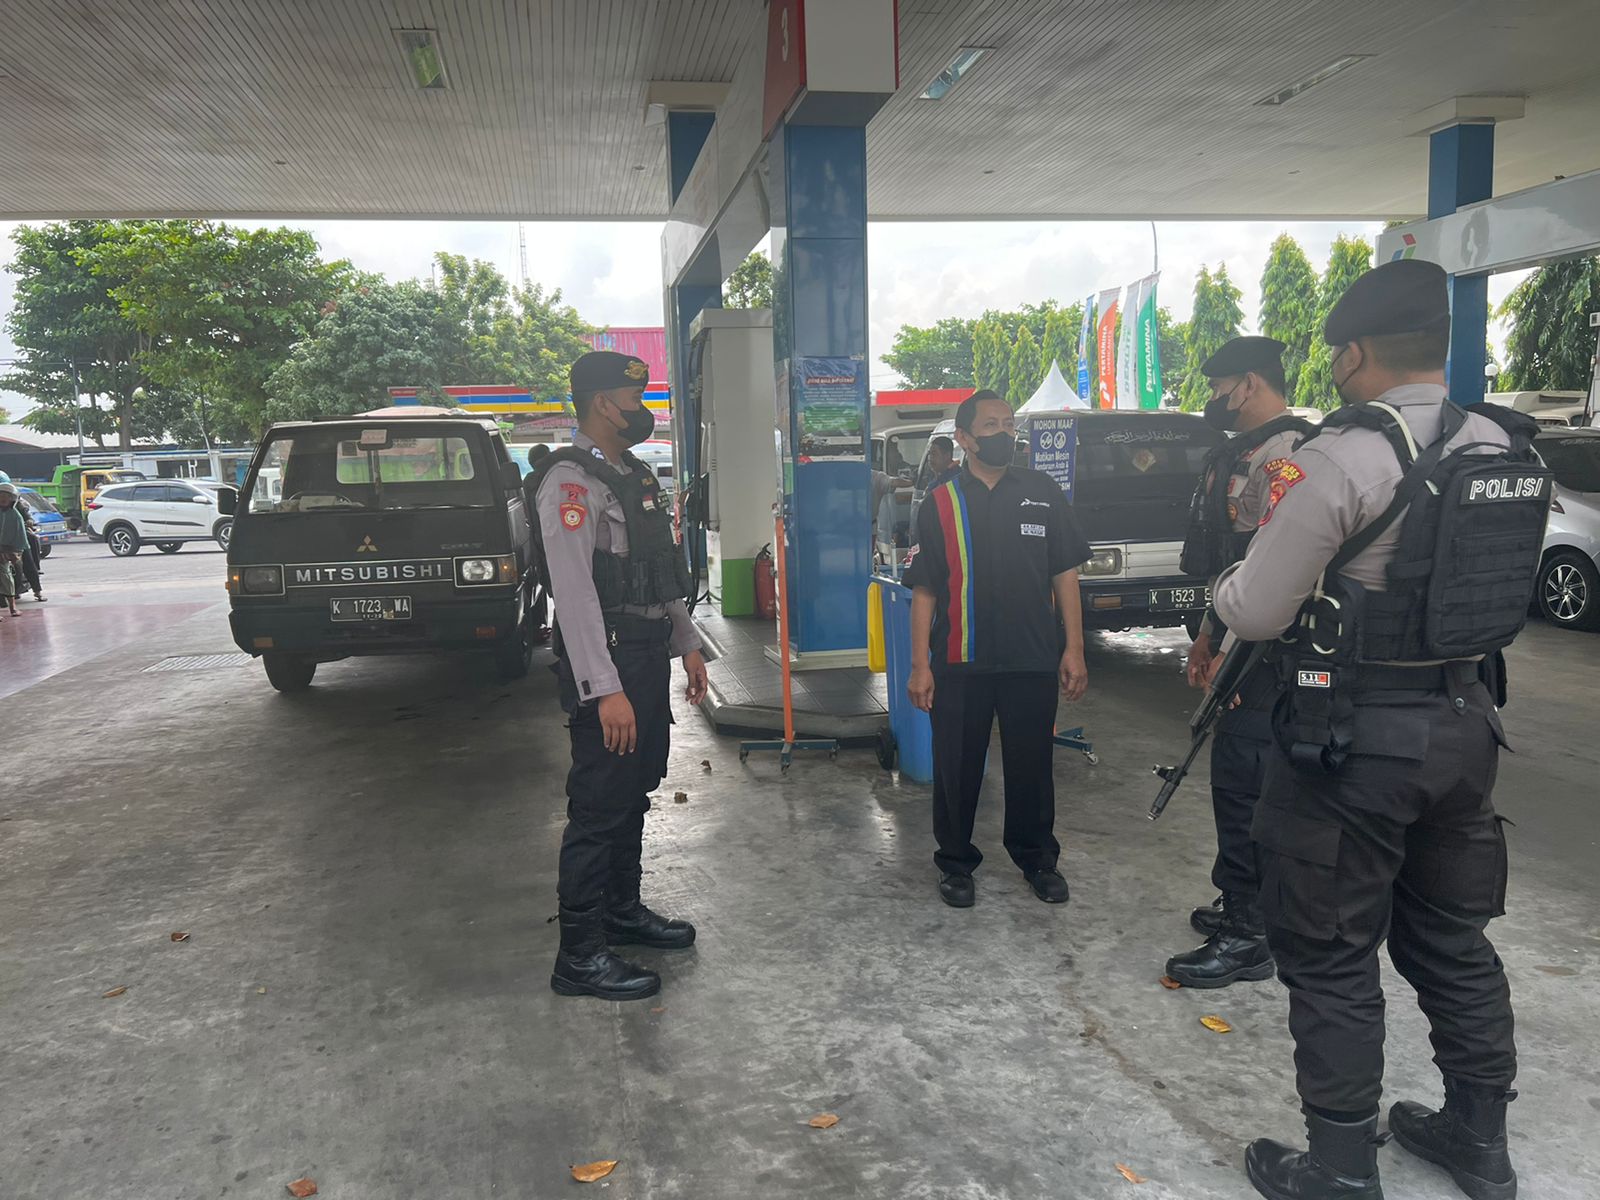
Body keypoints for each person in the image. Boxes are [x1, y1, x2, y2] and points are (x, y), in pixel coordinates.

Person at [1214, 259, 1539, 1200]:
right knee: (1452, 940)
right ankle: (1479, 1140)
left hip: (1352, 743)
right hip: (1467, 728)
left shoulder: (1341, 458)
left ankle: (1342, 1164)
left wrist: (1228, 589)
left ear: (1355, 354)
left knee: (1328, 948)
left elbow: (1261, 608)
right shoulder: (1505, 445)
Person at [532, 351, 709, 1003]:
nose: (642, 410)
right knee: (599, 806)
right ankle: (578, 955)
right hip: (603, 659)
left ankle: (620, 912)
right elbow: (575, 594)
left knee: (634, 790)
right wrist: (603, 689)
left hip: (641, 653)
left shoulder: (628, 475)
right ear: (604, 404)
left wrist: (687, 643)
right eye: (633, 399)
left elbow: (656, 571)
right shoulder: (569, 484)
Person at [904, 390, 1090, 908]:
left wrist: (1073, 647)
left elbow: (1065, 573)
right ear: (963, 438)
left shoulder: (1042, 491)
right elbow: (925, 589)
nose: (1004, 433)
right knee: (957, 766)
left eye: (1009, 423)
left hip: (1031, 658)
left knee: (1032, 764)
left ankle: (1036, 858)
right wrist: (921, 665)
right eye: (991, 425)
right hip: (960, 660)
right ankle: (956, 862)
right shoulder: (940, 501)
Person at [1167, 338, 1312, 988]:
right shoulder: (1246, 453)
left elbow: (1273, 569)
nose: (1215, 400)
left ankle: (1251, 935)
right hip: (1239, 634)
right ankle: (1242, 906)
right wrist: (1206, 633)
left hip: (1269, 652)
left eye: (1222, 386)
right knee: (1236, 775)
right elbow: (1232, 558)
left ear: (1249, 383)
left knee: (1243, 782)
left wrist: (1230, 649)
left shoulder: (1288, 459)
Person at [523, 443, 553, 642]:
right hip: (559, 543)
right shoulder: (555, 476)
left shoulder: (530, 481)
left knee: (554, 590)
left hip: (540, 546)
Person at [0, 483, 27, 618]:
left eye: (6, 496)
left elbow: (20, 537)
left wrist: (17, 552)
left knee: (6, 578)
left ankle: (12, 607)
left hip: (6, 552)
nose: (3, 498)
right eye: (1, 495)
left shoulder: (16, 516)